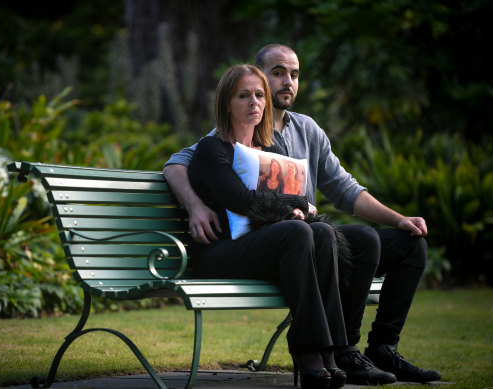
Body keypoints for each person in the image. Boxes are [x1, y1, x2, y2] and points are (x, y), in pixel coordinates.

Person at [163, 44, 441, 385]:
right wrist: (195, 205)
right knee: (306, 233)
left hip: (293, 236)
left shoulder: (292, 137)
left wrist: (397, 219)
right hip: (242, 244)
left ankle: (347, 351)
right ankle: (317, 353)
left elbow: (344, 188)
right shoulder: (215, 143)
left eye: (293, 75)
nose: (258, 100)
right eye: (276, 74)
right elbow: (187, 168)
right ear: (231, 99)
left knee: (362, 237)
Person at [188, 63, 347, 388]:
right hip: (218, 252)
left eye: (259, 95)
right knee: (299, 230)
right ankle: (307, 353)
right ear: (226, 104)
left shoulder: (272, 150)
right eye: (243, 95)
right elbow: (242, 202)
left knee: (322, 231)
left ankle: (330, 352)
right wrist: (299, 205)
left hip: (264, 247)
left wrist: (294, 212)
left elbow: (279, 203)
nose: (254, 102)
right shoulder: (212, 149)